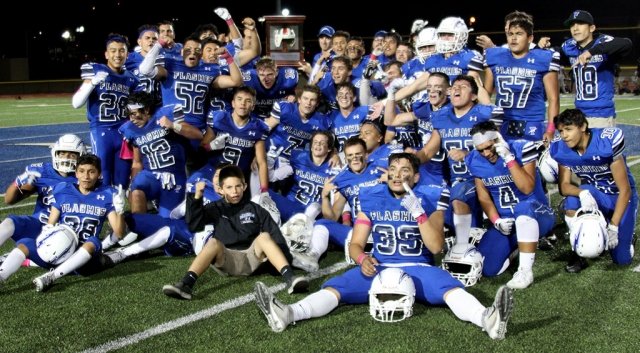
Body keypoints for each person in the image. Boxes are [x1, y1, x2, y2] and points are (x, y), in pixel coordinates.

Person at [254, 153, 514, 340]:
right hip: (379, 266)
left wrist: (418, 213)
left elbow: (435, 247)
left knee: (449, 289)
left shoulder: (429, 197)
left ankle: (486, 319)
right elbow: (356, 243)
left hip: (418, 267)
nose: (397, 174)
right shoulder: (372, 197)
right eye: (393, 168)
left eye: (404, 171)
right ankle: (289, 313)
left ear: (416, 176)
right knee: (337, 287)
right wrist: (361, 259)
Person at [162, 165, 309, 300]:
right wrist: (197, 198)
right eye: (229, 187)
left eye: (238, 186)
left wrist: (286, 258)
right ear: (220, 189)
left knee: (264, 236)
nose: (234, 191)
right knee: (212, 242)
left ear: (244, 186)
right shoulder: (215, 207)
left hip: (252, 259)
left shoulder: (255, 209)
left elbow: (274, 233)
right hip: (226, 260)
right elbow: (194, 225)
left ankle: (290, 278)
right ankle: (185, 284)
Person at [0, 154, 127, 291]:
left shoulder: (109, 194)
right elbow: (50, 224)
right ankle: (1, 277)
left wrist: (119, 210)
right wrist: (47, 237)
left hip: (84, 259)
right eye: (82, 171)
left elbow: (119, 233)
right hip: (60, 252)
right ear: (76, 173)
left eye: (91, 172)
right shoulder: (62, 190)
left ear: (99, 174)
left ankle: (51, 277)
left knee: (93, 241)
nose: (86, 176)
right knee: (25, 244)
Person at [415, 75, 504, 247]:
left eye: (463, 86)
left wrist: (468, 153)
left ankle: (465, 245)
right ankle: (463, 244)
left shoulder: (483, 113)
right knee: (455, 197)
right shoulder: (441, 116)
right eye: (454, 86)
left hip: (488, 176)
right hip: (461, 178)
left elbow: (498, 144)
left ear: (473, 96)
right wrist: (409, 161)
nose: (456, 89)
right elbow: (428, 150)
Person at [466, 121, 555, 289]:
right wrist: (496, 220)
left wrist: (509, 158)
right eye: (481, 150)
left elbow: (527, 188)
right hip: (507, 221)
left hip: (536, 213)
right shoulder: (473, 159)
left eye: (489, 147)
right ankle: (518, 247)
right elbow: (484, 197)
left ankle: (525, 271)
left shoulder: (521, 148)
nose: (485, 153)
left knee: (522, 207)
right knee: (489, 268)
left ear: (498, 138)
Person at [550, 108, 638, 272]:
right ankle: (577, 253)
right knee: (574, 197)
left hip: (620, 198)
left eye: (569, 129)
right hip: (595, 195)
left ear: (583, 126)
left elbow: (625, 190)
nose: (564, 136)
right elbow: (564, 186)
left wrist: (613, 226)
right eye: (561, 131)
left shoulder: (605, 143)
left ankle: (627, 236)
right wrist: (582, 193)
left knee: (621, 259)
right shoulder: (561, 149)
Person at [538, 10, 633, 127]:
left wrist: (591, 52)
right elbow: (550, 56)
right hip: (579, 115)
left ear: (592, 28)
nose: (575, 28)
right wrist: (542, 47)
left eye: (580, 23)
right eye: (572, 25)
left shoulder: (602, 44)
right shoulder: (570, 47)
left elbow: (626, 43)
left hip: (601, 115)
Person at [71, 33, 141, 188]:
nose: (117, 54)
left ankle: (119, 211)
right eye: (113, 50)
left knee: (122, 180)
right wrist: (92, 83)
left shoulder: (132, 79)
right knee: (102, 175)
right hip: (102, 130)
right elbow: (76, 103)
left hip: (123, 133)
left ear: (127, 54)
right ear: (106, 53)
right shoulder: (96, 70)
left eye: (121, 51)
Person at [120, 90, 202, 218]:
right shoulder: (130, 129)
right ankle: (139, 227)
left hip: (174, 177)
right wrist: (132, 185)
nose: (132, 119)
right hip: (150, 176)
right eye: (129, 114)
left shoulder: (166, 115)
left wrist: (174, 125)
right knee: (137, 187)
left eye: (134, 114)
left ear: (146, 110)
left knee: (167, 221)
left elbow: (197, 134)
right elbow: (137, 163)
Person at [0, 134, 85, 251]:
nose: (66, 158)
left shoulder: (85, 177)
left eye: (72, 154)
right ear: (56, 153)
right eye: (62, 153)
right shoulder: (43, 172)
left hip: (66, 232)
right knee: (10, 222)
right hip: (39, 226)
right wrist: (17, 183)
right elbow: (8, 200)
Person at [483, 19, 560, 143]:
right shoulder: (494, 57)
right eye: (510, 34)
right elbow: (485, 96)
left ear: (530, 38)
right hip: (501, 122)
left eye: (519, 34)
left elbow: (554, 99)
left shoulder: (543, 59)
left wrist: (550, 130)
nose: (513, 38)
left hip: (532, 122)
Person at [385, 72, 451, 187]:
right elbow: (390, 121)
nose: (432, 90)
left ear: (448, 90)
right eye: (429, 87)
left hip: (445, 170)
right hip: (424, 168)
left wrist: (406, 163)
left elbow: (428, 152)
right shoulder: (424, 108)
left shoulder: (450, 111)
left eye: (437, 87)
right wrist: (391, 95)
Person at [205, 85, 271, 194]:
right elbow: (201, 149)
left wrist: (264, 191)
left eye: (248, 100)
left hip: (237, 180)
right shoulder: (219, 119)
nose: (243, 103)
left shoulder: (259, 127)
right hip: (213, 175)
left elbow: (262, 162)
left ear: (253, 106)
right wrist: (210, 146)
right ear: (233, 103)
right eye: (239, 99)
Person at [268, 130, 340, 223]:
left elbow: (335, 203)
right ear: (311, 146)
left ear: (329, 148)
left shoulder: (334, 168)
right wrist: (270, 162)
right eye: (315, 142)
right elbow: (272, 177)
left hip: (313, 214)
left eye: (322, 143)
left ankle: (298, 232)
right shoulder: (299, 158)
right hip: (291, 204)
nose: (318, 145)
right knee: (264, 195)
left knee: (314, 207)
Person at [125, 25, 163, 107]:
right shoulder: (128, 60)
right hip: (136, 107)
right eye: (147, 38)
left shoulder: (163, 60)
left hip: (157, 107)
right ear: (139, 42)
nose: (151, 41)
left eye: (154, 39)